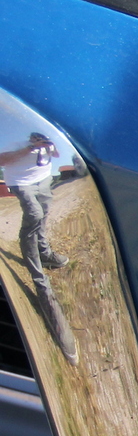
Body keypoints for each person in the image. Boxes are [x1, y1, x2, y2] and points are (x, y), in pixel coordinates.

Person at [0, 131, 73, 358]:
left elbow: (59, 153)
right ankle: (41, 282)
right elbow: (1, 160)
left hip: (43, 179)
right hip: (21, 182)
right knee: (33, 215)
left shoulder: (47, 137)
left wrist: (50, 146)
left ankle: (45, 253)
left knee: (44, 214)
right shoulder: (10, 128)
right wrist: (30, 148)